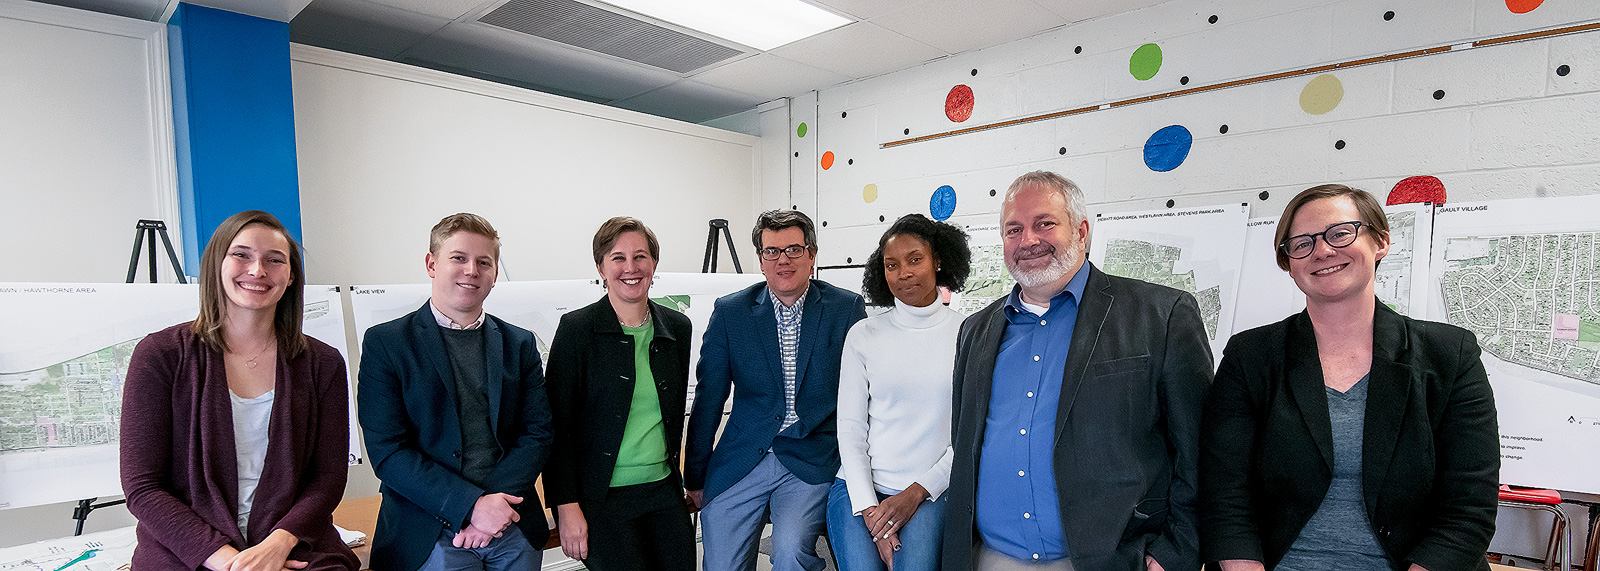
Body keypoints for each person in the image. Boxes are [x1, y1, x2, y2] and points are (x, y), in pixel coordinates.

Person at [1199, 185, 1498, 571]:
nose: (1322, 251)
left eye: (1340, 233)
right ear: (1288, 263)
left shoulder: (1449, 355)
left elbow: (1468, 508)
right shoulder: (1251, 357)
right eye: (1301, 244)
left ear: (1382, 242)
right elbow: (1225, 496)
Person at [942, 171, 1213, 571]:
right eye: (1013, 229)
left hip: (1113, 560)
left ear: (1082, 231)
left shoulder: (1162, 315)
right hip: (992, 558)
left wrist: (1175, 553)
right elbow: (965, 446)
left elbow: (1200, 451)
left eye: (1044, 223)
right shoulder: (975, 330)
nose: (1028, 240)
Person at [121, 210, 358, 571]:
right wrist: (235, 564)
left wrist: (278, 545)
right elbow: (143, 487)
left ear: (291, 276)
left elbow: (327, 479)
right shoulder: (160, 355)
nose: (258, 270)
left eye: (275, 260)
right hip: (189, 553)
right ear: (217, 263)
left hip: (295, 547)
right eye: (242, 255)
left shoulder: (323, 363)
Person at [358, 213, 552, 571]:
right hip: (428, 529)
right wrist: (472, 507)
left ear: (494, 274)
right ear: (432, 264)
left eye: (484, 262)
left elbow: (537, 432)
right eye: (458, 258)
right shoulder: (387, 343)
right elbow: (388, 450)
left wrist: (493, 509)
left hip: (511, 521)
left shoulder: (519, 343)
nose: (471, 270)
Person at [685, 209, 869, 571]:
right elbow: (709, 398)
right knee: (719, 560)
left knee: (788, 553)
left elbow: (864, 394)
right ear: (761, 260)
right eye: (772, 251)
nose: (782, 259)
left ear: (812, 256)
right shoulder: (730, 312)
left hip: (811, 456)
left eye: (793, 249)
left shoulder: (845, 309)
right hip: (743, 456)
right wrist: (695, 475)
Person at [543, 217, 696, 570]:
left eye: (640, 257)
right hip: (602, 498)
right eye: (618, 258)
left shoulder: (677, 328)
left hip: (663, 490)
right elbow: (557, 426)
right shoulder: (577, 330)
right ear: (600, 267)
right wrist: (566, 507)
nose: (631, 267)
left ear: (654, 265)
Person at [828, 214, 971, 571]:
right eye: (892, 265)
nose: (903, 273)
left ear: (937, 260)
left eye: (915, 259)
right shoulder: (863, 335)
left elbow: (971, 435)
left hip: (930, 491)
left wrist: (916, 492)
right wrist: (872, 512)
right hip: (859, 490)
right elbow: (850, 428)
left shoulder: (969, 333)